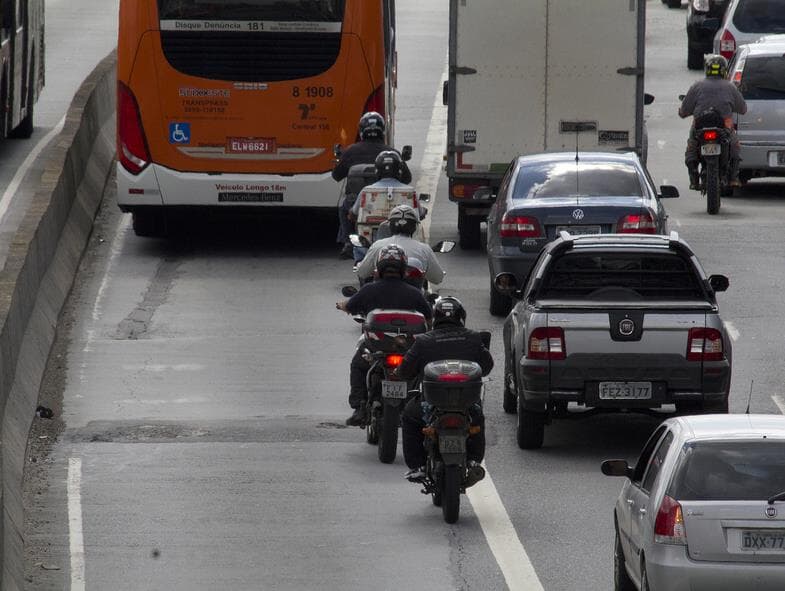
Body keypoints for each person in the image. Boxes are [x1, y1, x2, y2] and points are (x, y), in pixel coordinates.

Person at [396, 296, 493, 485]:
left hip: (431, 404)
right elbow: (487, 366)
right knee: (478, 419)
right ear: (461, 317)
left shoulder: (423, 341)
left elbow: (405, 371)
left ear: (435, 318)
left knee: (409, 416)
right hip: (467, 403)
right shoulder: (473, 337)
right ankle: (473, 461)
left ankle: (418, 466)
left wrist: (404, 373)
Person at [335, 245, 432, 426]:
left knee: (358, 365)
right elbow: (429, 316)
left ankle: (359, 407)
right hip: (408, 350)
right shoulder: (414, 293)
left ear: (379, 268)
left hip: (376, 348)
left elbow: (350, 306)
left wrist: (341, 305)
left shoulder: (369, 290)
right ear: (403, 269)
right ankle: (427, 410)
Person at [332, 112, 412, 258]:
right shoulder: (392, 153)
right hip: (389, 200)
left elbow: (336, 175)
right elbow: (407, 178)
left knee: (344, 208)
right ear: (382, 131)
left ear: (362, 131)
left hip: (357, 201)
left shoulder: (351, 151)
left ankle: (348, 241)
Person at [678, 54, 747, 190]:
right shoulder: (730, 87)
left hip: (699, 127)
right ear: (724, 71)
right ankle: (733, 177)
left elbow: (684, 111)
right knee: (735, 145)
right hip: (724, 127)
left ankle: (693, 177)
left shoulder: (697, 86)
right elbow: (743, 109)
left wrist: (684, 112)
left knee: (691, 147)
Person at [355, 204, 444, 287]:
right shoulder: (424, 249)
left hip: (381, 299)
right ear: (414, 227)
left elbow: (362, 273)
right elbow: (437, 278)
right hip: (414, 299)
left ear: (390, 225)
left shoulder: (378, 245)